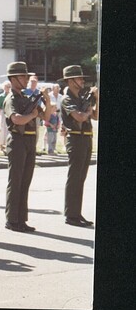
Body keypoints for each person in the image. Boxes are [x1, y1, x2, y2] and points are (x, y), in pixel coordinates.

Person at [3, 61, 53, 233]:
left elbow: (46, 116)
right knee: (15, 181)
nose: (26, 79)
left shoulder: (26, 98)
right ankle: (12, 219)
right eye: (23, 76)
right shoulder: (12, 99)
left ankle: (21, 219)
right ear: (14, 79)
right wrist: (32, 114)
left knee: (25, 182)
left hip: (30, 140)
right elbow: (16, 119)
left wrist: (46, 100)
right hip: (17, 140)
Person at [59, 65, 98, 227]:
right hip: (75, 139)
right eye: (79, 78)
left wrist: (97, 99)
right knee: (74, 178)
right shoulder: (66, 98)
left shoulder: (82, 97)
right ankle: (71, 215)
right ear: (70, 80)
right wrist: (88, 111)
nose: (82, 81)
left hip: (86, 138)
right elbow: (80, 117)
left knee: (81, 178)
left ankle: (77, 213)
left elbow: (95, 116)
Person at [0, 81, 12, 150]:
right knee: (2, 128)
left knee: (8, 128)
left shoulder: (11, 95)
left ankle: (8, 144)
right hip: (3, 112)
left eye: (9, 86)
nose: (8, 88)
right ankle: (1, 145)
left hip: (9, 112)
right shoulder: (1, 96)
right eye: (6, 87)